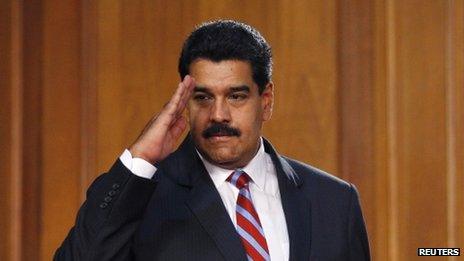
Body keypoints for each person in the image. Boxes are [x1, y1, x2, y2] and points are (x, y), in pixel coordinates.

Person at [55, 20, 370, 261]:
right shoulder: (141, 195)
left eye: (236, 96)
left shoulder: (335, 200)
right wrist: (141, 159)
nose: (218, 115)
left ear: (267, 100)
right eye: (203, 97)